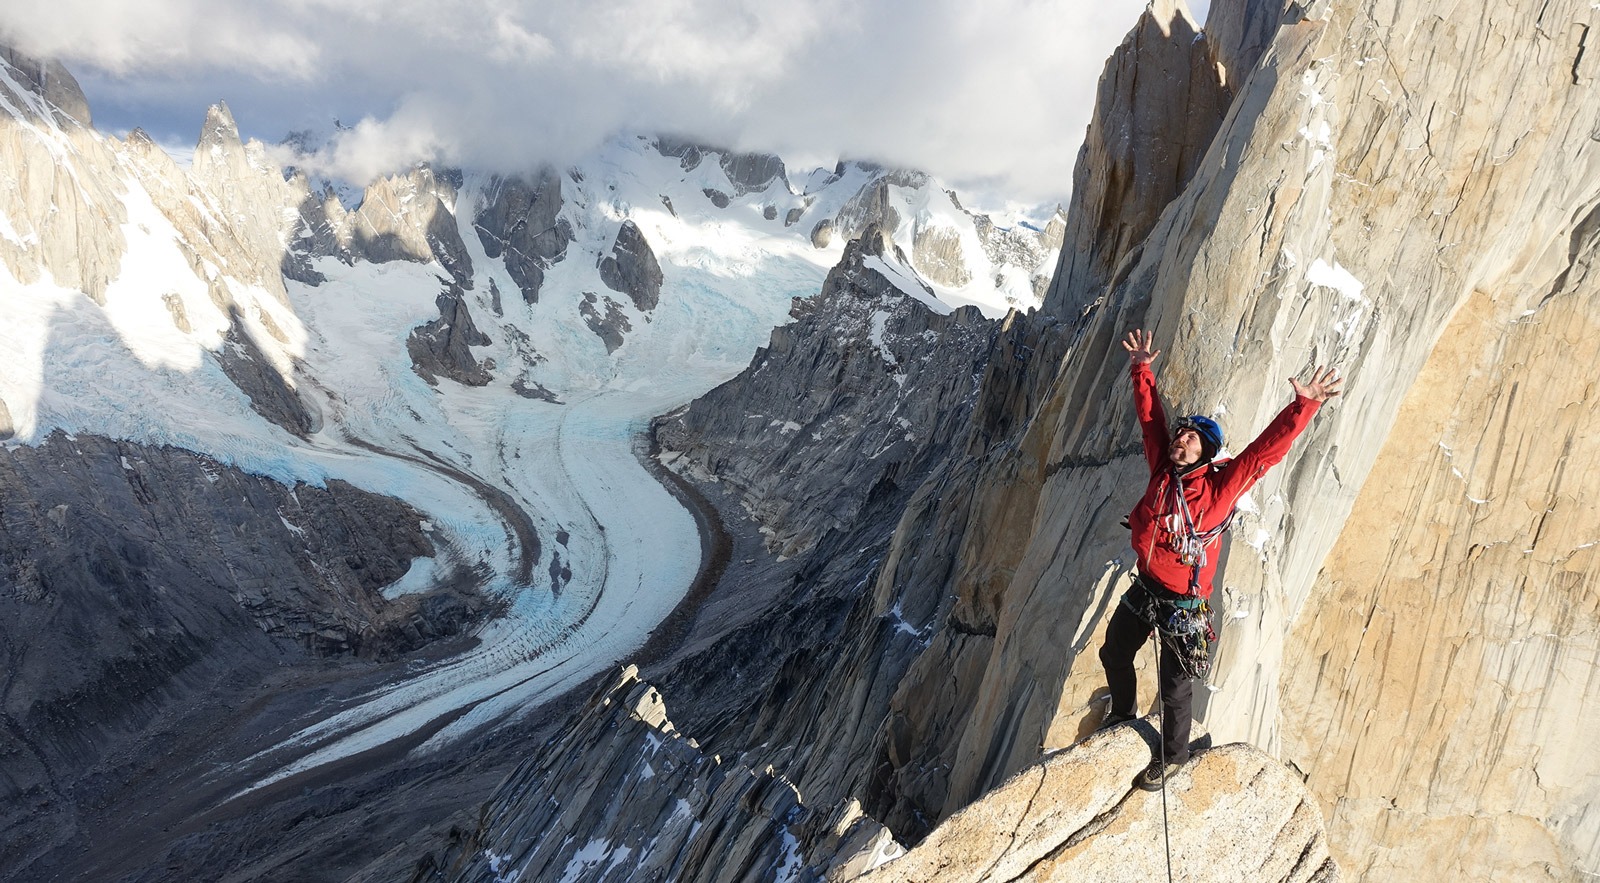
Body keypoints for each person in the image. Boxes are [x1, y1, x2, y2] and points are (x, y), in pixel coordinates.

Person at [1099, 328, 1342, 791]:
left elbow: (1264, 453)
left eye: (1192, 438)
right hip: (1148, 587)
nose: (1182, 439)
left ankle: (1173, 760)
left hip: (1183, 605)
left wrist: (1304, 405)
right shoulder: (1162, 473)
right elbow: (1151, 421)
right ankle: (1123, 714)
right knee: (1114, 651)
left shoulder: (1218, 488)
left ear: (1207, 453)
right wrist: (1142, 371)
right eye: (1182, 434)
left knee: (1175, 687)